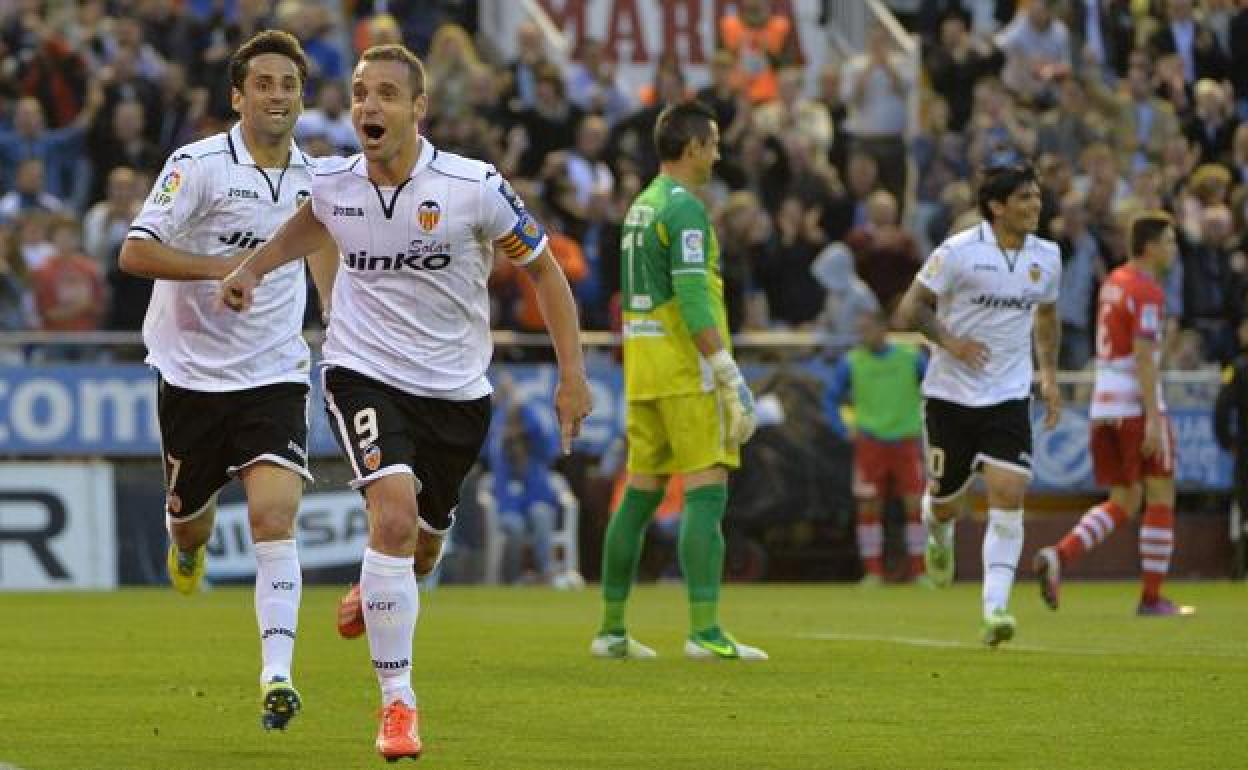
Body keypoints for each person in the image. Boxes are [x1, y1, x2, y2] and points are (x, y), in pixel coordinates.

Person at [219, 44, 592, 761]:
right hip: (363, 372)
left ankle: (379, 585)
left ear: (419, 109)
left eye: (387, 95)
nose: (369, 107)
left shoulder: (473, 187)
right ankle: (398, 705)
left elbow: (543, 269)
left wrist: (570, 374)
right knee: (390, 516)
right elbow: (311, 220)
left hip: (456, 392)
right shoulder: (335, 181)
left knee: (421, 546)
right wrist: (252, 269)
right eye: (361, 93)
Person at [119, 30, 334, 732]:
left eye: (289, 85)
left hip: (274, 371)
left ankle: (277, 674)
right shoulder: (198, 165)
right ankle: (189, 545)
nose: (278, 95)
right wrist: (224, 270)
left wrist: (338, 330)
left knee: (275, 516)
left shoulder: (318, 180)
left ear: (302, 97)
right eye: (264, 84)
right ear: (237, 96)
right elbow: (135, 252)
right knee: (191, 521)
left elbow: (324, 250)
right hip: (191, 372)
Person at [591, 100, 767, 662]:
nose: (717, 153)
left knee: (641, 494)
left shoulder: (641, 207)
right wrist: (725, 369)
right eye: (713, 143)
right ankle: (705, 631)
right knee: (706, 491)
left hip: (642, 370)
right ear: (692, 147)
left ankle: (612, 630)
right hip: (686, 370)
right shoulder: (686, 210)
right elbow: (693, 297)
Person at [896, 163, 1063, 647]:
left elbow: (1048, 314)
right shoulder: (958, 252)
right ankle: (937, 528)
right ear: (997, 206)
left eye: (1037, 197)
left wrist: (1047, 374)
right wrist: (951, 342)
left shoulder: (1048, 256)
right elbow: (912, 308)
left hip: (1008, 395)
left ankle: (996, 610)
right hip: (950, 395)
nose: (1036, 206)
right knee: (949, 504)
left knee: (1009, 493)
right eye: (1025, 198)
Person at [1034, 212, 1195, 617]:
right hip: (1135, 406)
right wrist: (1155, 418)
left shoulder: (1113, 284)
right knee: (1160, 493)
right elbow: (1143, 358)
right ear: (1151, 247)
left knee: (1124, 499)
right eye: (1170, 242)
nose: (1174, 250)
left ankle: (1059, 555)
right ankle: (1152, 598)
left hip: (1102, 404)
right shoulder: (1146, 291)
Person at [825, 309, 928, 585]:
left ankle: (919, 571)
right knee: (869, 507)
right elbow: (830, 398)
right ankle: (873, 572)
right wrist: (841, 428)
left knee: (915, 505)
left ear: (883, 328)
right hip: (870, 443)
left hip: (906, 441)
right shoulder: (851, 362)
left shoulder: (911, 357)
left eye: (867, 328)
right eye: (859, 330)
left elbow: (935, 386)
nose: (863, 335)